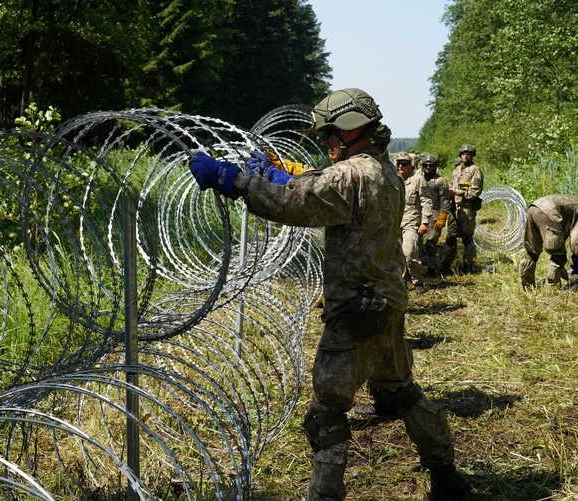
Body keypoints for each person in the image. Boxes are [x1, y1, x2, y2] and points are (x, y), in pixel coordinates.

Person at [188, 88, 470, 500]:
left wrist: (235, 181)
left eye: (331, 134)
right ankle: (448, 478)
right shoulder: (385, 170)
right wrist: (281, 176)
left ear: (351, 130)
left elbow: (292, 202)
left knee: (327, 411)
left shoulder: (351, 173)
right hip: (387, 302)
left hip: (354, 310)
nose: (327, 143)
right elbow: (318, 192)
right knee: (403, 392)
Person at [517, 194, 578, 289]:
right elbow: (576, 242)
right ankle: (551, 288)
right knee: (558, 256)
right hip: (550, 212)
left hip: (534, 207)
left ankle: (527, 286)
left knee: (532, 252)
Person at [441, 144, 484, 274]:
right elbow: (451, 184)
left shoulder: (475, 170)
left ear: (472, 156)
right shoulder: (456, 170)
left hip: (467, 209)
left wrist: (457, 192)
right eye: (463, 153)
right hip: (454, 209)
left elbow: (474, 192)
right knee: (450, 237)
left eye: (468, 154)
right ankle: (446, 265)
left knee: (467, 238)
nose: (465, 156)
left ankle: (468, 265)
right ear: (460, 155)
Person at [395, 153, 433, 292]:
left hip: (411, 220)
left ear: (411, 165)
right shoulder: (393, 180)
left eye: (404, 164)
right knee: (396, 254)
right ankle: (401, 281)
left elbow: (426, 201)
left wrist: (425, 222)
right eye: (398, 163)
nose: (400, 166)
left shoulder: (418, 180)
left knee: (409, 251)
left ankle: (417, 281)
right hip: (395, 222)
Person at [419, 153, 452, 277]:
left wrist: (442, 219)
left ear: (435, 166)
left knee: (431, 242)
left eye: (431, 165)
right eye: (425, 165)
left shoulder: (441, 181)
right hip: (420, 214)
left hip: (435, 215)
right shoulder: (418, 178)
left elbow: (445, 201)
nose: (428, 167)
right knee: (418, 243)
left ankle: (432, 268)